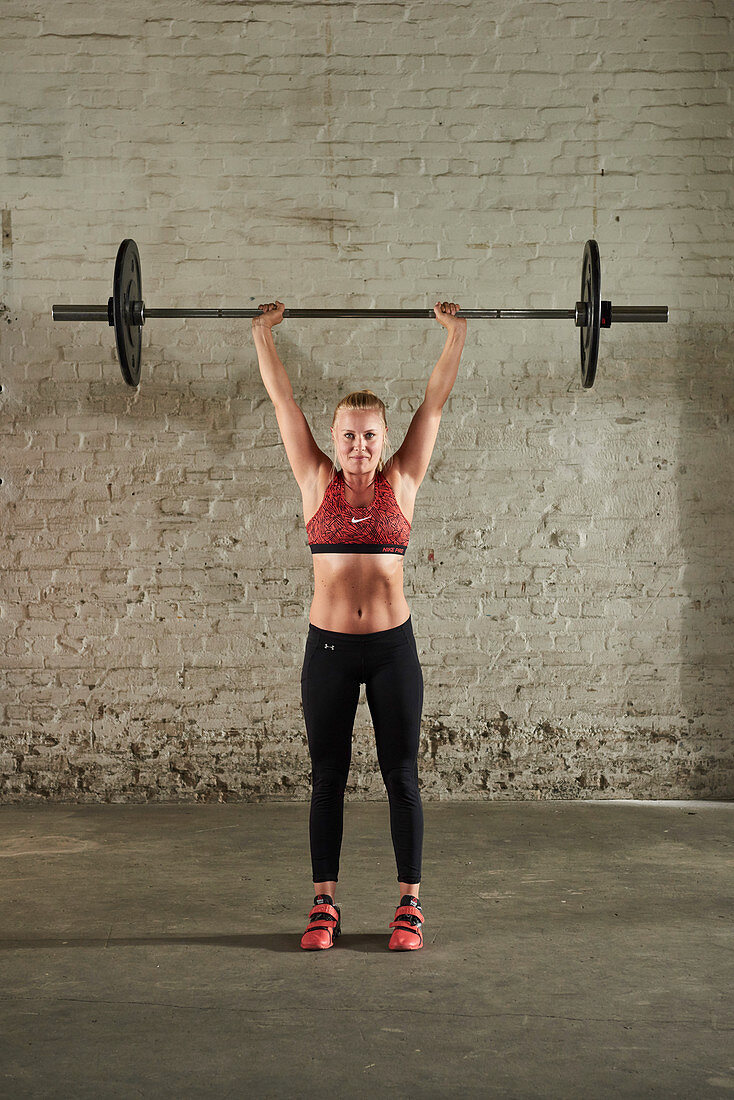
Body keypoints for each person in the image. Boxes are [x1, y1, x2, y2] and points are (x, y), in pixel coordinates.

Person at [252, 298, 467, 951]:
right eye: (348, 434)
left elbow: (433, 402)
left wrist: (455, 336)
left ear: (382, 438)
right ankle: (324, 908)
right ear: (334, 436)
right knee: (327, 776)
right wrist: (262, 334)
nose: (359, 445)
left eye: (370, 434)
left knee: (401, 774)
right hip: (329, 652)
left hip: (392, 650)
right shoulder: (313, 475)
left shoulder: (402, 479)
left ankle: (409, 907)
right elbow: (283, 401)